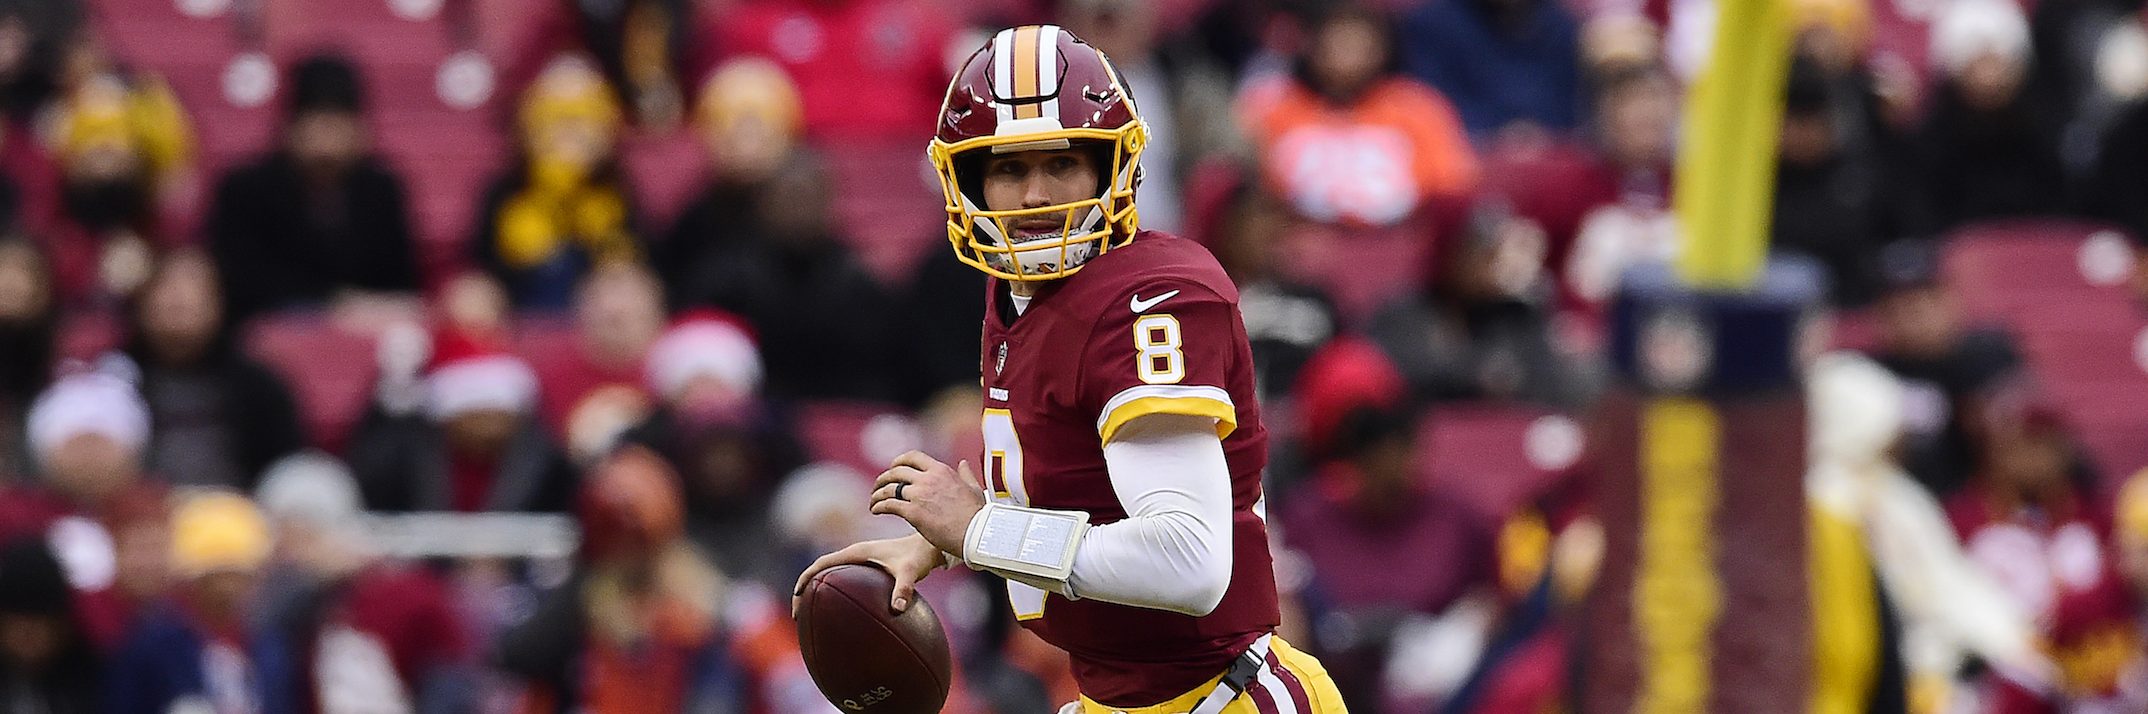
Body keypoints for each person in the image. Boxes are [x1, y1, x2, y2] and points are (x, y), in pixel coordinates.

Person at [795, 26, 1345, 713]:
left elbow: (1189, 562)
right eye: (1008, 168)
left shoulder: (1153, 298)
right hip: (1118, 697)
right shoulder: (1018, 296)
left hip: (1220, 696)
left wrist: (978, 531)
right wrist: (942, 546)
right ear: (968, 181)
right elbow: (1083, 495)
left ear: (1112, 167)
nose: (1035, 197)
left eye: (1060, 164)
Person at [205, 53, 421, 323]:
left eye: (338, 123)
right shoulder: (245, 188)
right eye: (318, 121)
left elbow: (400, 282)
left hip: (366, 328)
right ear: (289, 127)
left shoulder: (381, 190)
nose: (327, 140)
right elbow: (239, 280)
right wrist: (334, 304)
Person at [124, 250, 307, 491]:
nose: (179, 298)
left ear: (220, 304)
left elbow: (287, 468)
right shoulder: (116, 380)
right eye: (166, 286)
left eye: (195, 287)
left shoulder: (258, 386)